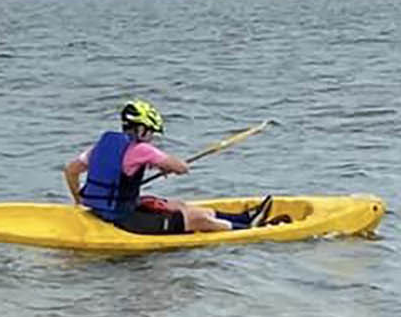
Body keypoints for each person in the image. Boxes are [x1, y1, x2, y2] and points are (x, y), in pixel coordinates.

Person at [64, 99, 276, 236]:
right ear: (140, 129)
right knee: (196, 219)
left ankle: (243, 217)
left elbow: (71, 171)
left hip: (106, 211)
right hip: (124, 221)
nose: (151, 137)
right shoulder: (142, 149)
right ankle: (247, 230)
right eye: (150, 132)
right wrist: (170, 166)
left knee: (178, 205)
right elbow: (180, 167)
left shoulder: (103, 146)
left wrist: (78, 200)